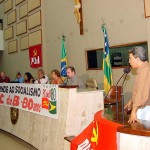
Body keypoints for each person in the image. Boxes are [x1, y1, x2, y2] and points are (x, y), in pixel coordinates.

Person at [124, 46, 150, 123]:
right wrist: (131, 101)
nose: (129, 61)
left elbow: (142, 93)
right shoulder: (143, 69)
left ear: (137, 59)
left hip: (146, 109)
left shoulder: (145, 71)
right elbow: (139, 89)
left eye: (130, 58)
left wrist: (133, 111)